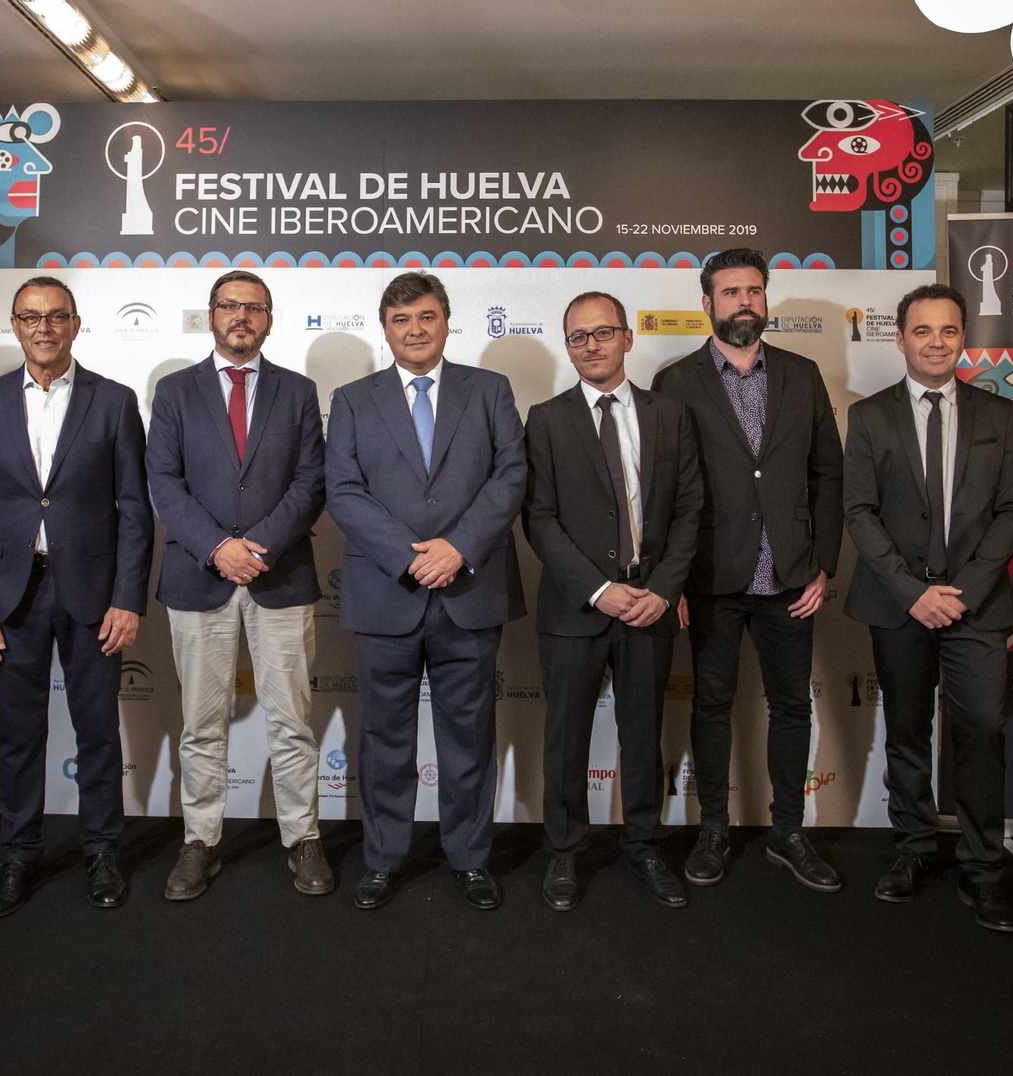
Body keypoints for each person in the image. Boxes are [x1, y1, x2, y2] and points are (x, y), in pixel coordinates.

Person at [0, 276, 153, 918]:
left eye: (57, 317)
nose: (44, 328)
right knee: (19, 733)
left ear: (75, 324)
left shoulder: (114, 400)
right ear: (14, 326)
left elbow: (134, 512)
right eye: (31, 317)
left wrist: (129, 597)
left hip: (94, 593)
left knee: (97, 730)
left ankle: (100, 851)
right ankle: (18, 853)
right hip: (11, 595)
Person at [325, 272, 526, 910]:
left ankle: (469, 858)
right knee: (385, 739)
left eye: (427, 317)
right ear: (385, 328)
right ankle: (384, 858)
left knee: (468, 737)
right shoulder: (353, 400)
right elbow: (344, 491)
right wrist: (408, 558)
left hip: (469, 591)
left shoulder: (490, 390)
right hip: (388, 593)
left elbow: (510, 475)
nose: (415, 329)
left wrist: (458, 548)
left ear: (446, 321)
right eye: (401, 319)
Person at [650, 248, 845, 891]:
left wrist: (822, 565)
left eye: (753, 291)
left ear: (766, 299)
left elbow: (828, 474)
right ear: (706, 303)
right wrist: (670, 579)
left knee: (792, 706)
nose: (743, 302)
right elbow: (664, 492)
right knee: (712, 706)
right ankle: (714, 828)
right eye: (730, 292)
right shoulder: (676, 382)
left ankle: (788, 830)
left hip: (790, 577)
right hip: (711, 577)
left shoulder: (802, 373)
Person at [842, 283, 1013, 931]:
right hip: (900, 605)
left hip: (976, 606)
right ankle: (915, 848)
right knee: (907, 731)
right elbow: (859, 513)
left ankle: (983, 868)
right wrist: (913, 592)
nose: (936, 342)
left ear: (963, 338)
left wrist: (964, 592)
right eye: (923, 331)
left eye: (949, 331)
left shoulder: (997, 416)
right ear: (899, 339)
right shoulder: (868, 418)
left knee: (981, 730)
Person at [147, 270, 332, 899]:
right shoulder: (173, 391)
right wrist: (217, 548)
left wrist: (258, 546)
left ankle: (302, 837)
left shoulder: (299, 390)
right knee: (202, 724)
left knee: (292, 723)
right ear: (211, 315)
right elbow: (164, 482)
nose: (241, 317)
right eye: (229, 306)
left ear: (270, 319)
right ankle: (200, 839)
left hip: (280, 575)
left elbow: (311, 482)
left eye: (253, 308)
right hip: (200, 577)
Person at [522, 291, 703, 911]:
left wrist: (663, 589)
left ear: (628, 338)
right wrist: (600, 591)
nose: (591, 345)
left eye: (603, 333)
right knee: (566, 739)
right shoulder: (545, 419)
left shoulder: (670, 415)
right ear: (566, 346)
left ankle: (645, 846)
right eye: (578, 337)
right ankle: (565, 855)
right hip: (577, 607)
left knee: (643, 731)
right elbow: (539, 519)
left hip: (652, 604)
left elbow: (689, 510)